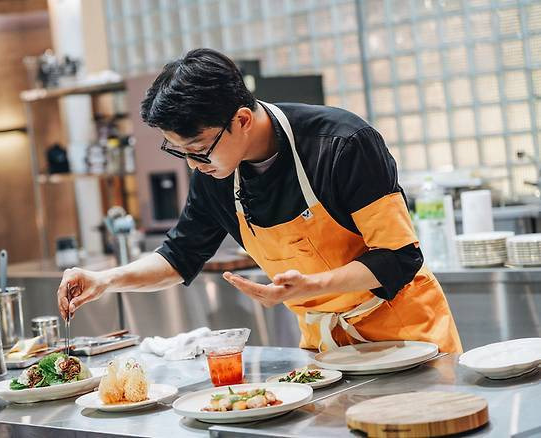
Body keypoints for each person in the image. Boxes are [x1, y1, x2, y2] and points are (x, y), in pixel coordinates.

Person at [57, 48, 462, 353]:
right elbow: (179, 256)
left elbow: (399, 256)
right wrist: (107, 279)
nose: (194, 165)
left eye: (198, 149)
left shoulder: (342, 143)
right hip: (327, 352)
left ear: (243, 121)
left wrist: (312, 285)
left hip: (407, 338)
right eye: (179, 152)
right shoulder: (216, 171)